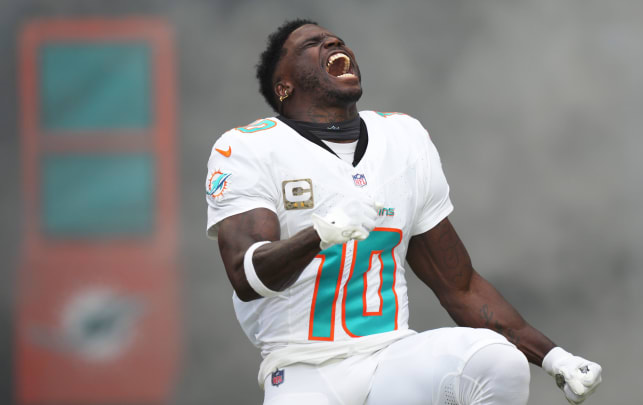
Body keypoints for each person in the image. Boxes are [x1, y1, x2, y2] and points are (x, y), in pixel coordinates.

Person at [205, 18, 602, 405]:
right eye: (311, 44)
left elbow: (459, 286)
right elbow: (246, 275)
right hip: (303, 370)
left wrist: (554, 358)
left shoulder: (403, 139)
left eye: (336, 39)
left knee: (498, 361)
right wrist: (321, 233)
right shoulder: (247, 148)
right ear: (284, 85)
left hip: (391, 357)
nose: (332, 44)